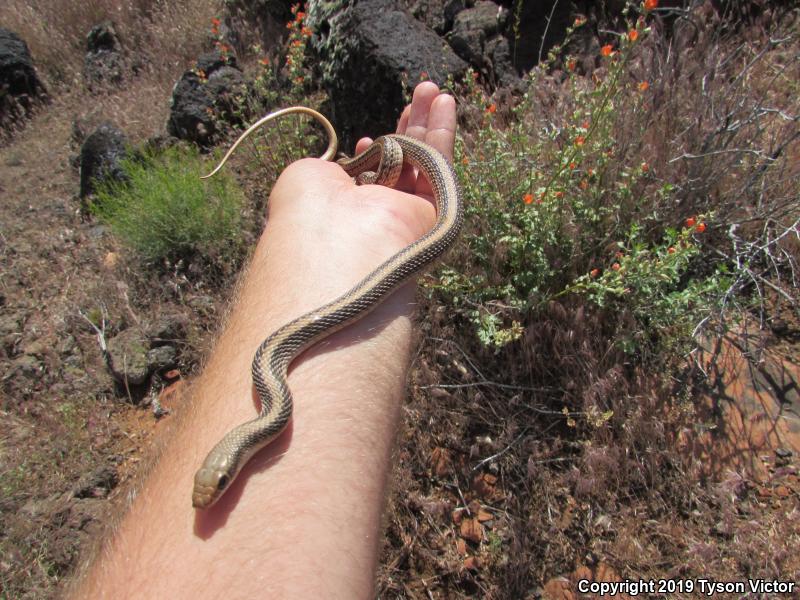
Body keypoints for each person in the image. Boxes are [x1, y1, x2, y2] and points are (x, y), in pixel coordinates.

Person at [70, 81, 457, 598]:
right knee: (390, 159)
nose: (213, 492)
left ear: (232, 461)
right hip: (366, 241)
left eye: (221, 482)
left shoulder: (269, 385)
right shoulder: (272, 409)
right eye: (219, 483)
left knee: (411, 178)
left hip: (404, 221)